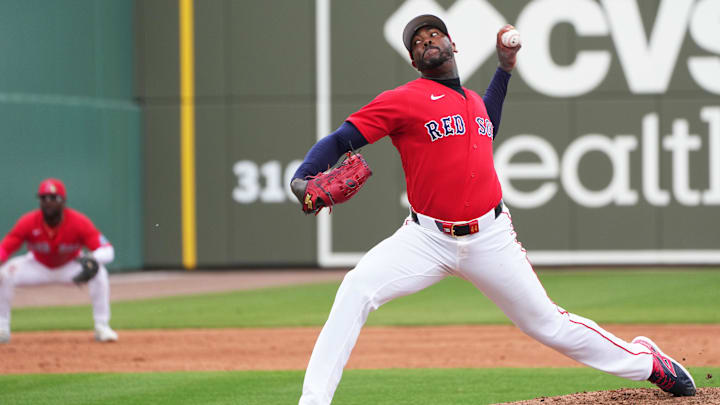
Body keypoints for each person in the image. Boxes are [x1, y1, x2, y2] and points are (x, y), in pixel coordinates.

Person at [289, 15, 696, 404]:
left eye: (434, 34)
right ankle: (313, 401)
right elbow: (342, 139)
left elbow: (489, 123)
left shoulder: (472, 104)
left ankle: (648, 363)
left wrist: (504, 69)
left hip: (491, 237)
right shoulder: (403, 100)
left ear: (453, 44)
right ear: (414, 62)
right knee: (356, 288)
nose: (428, 41)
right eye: (418, 41)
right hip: (425, 238)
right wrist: (303, 177)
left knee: (547, 325)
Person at [0, 178, 118, 343]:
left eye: (53, 198)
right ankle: (2, 328)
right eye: (44, 198)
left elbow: (108, 250)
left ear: (63, 201)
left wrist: (91, 258)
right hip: (37, 266)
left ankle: (102, 326)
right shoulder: (29, 221)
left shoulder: (78, 221)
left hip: (70, 266)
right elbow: (5, 247)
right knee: (5, 274)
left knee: (99, 273)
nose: (48, 202)